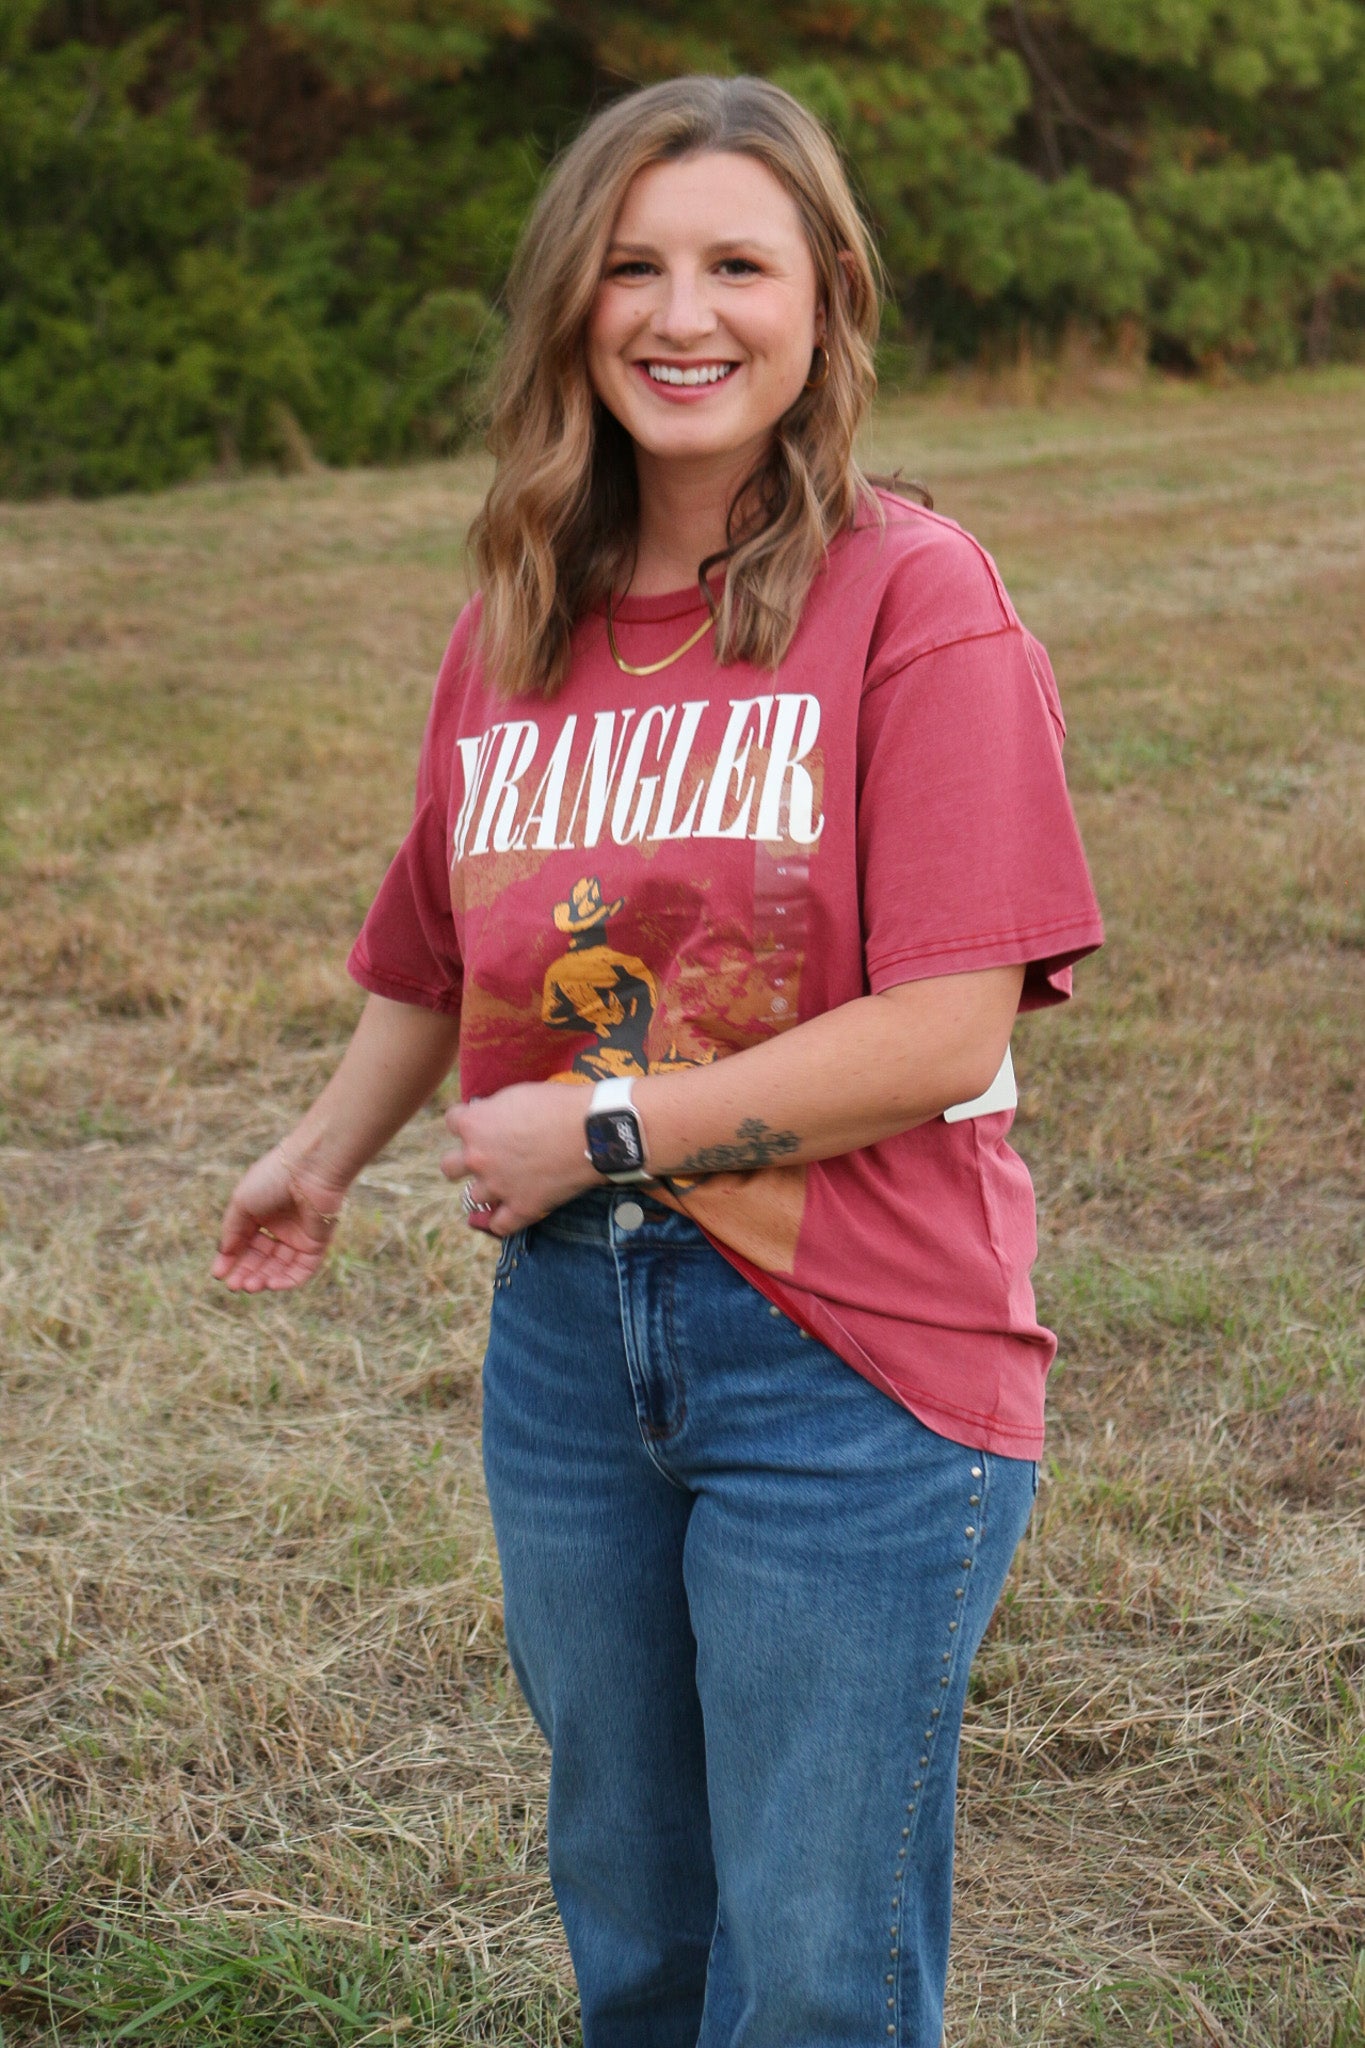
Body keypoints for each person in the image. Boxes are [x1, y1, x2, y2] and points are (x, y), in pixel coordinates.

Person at [213, 74, 1103, 2048]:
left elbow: (945, 1025)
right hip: (566, 1349)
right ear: (566, 304)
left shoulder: (910, 595)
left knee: (806, 1971)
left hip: (853, 1359)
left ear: (822, 303)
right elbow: (437, 944)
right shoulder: (512, 620)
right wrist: (322, 1149)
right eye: (631, 264)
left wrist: (597, 1124)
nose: (679, 313)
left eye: (734, 264)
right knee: (632, 1928)